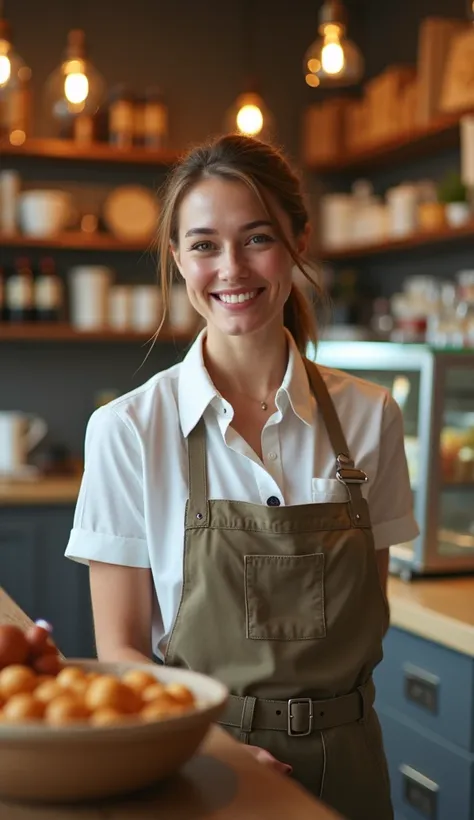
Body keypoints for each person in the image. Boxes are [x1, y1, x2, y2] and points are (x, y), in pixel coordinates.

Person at [65, 133, 418, 819]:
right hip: (196, 767)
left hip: (349, 770)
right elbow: (122, 649)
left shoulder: (371, 417)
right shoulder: (130, 431)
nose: (231, 268)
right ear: (177, 258)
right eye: (203, 245)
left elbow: (365, 620)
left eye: (256, 238)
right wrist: (210, 745)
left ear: (298, 243)